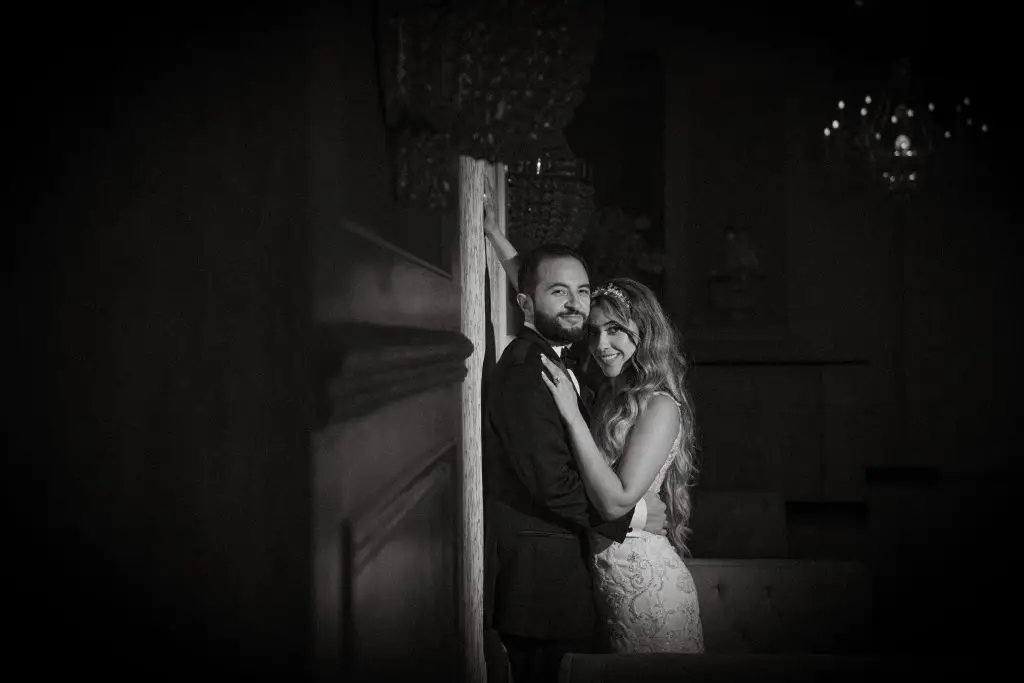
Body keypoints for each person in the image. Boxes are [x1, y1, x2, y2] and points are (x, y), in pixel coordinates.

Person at [485, 204, 705, 654]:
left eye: (617, 331)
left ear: (643, 333)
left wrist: (570, 413)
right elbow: (547, 299)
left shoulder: (658, 404)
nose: (602, 342)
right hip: (598, 577)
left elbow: (614, 497)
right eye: (596, 330)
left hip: (644, 581)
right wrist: (495, 238)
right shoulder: (590, 385)